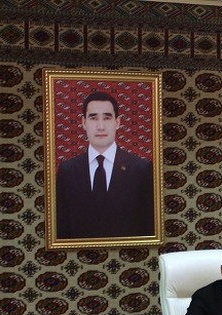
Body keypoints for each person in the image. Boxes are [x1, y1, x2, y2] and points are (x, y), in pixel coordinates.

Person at [54, 91, 155, 239]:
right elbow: (61, 227)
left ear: (117, 122)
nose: (100, 126)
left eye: (107, 118)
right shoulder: (67, 171)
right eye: (93, 118)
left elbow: (149, 226)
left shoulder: (141, 169)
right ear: (83, 123)